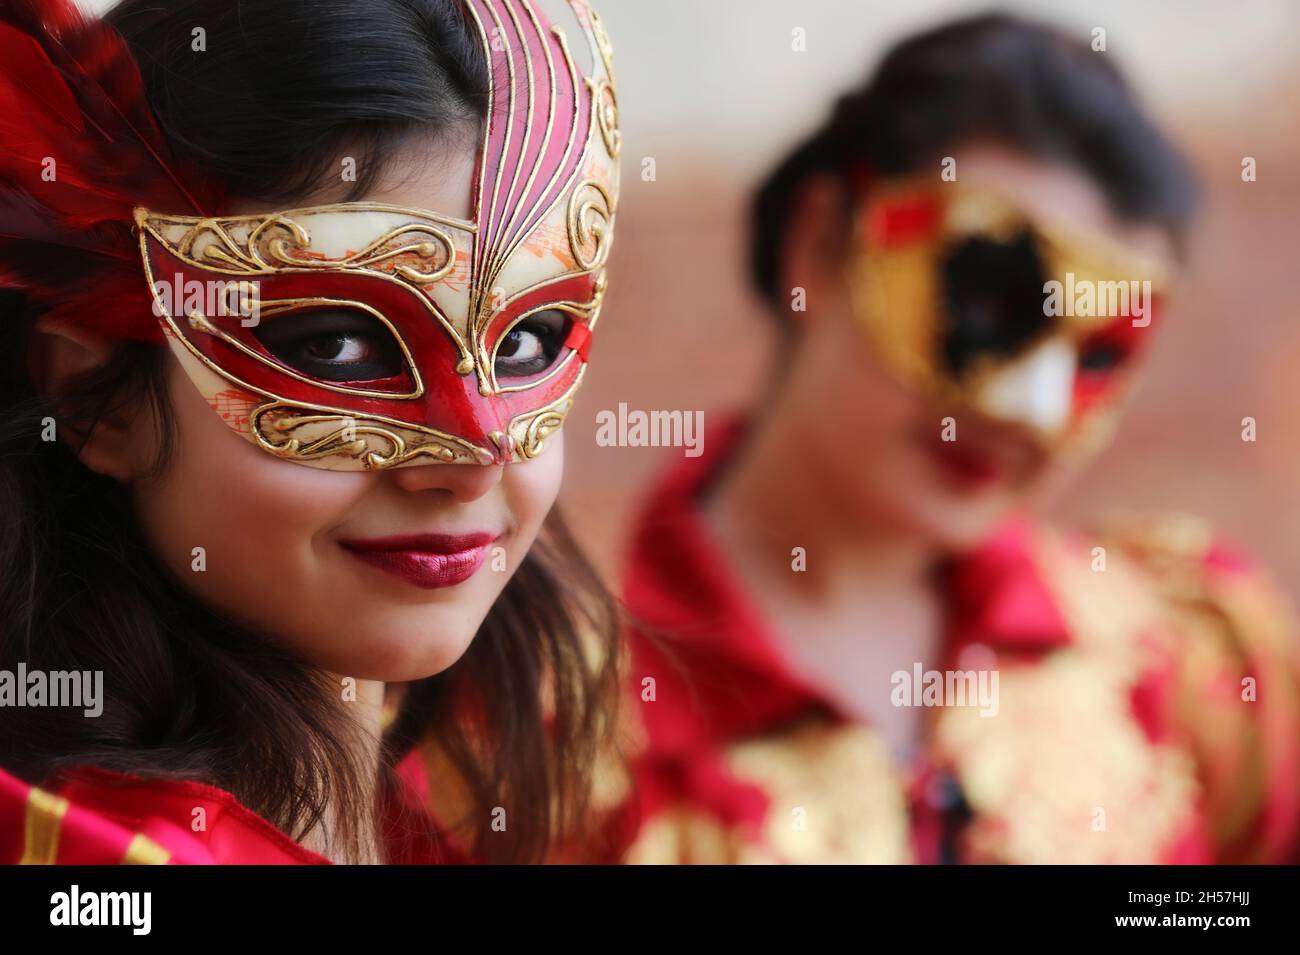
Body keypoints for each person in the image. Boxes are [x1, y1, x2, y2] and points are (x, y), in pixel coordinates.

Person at [608, 13, 1300, 864]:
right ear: (823, 245)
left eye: (1101, 351)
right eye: (992, 304)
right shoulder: (547, 750)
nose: (1031, 411)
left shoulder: (1186, 666)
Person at [0, 0, 622, 864]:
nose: (473, 456)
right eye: (335, 343)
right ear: (94, 399)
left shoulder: (495, 784)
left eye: (525, 339)